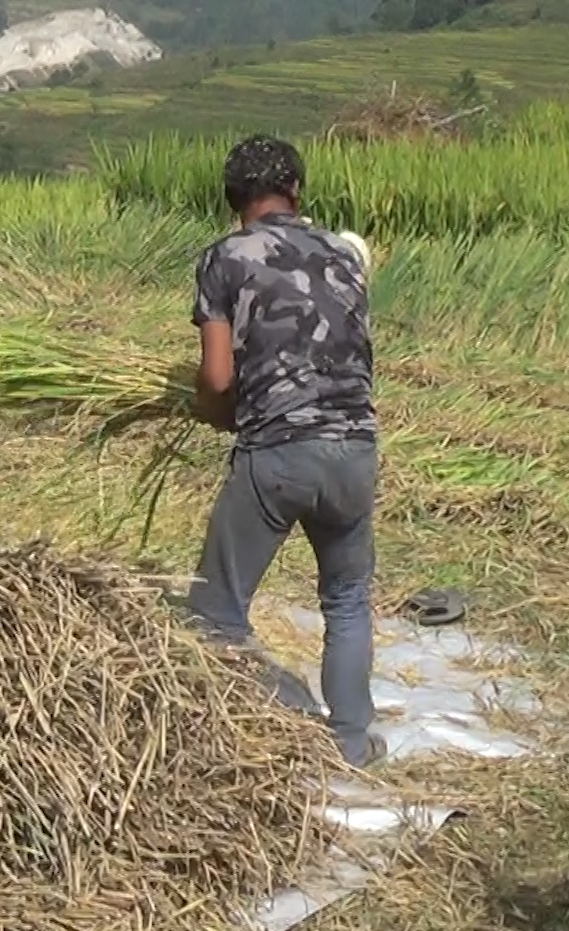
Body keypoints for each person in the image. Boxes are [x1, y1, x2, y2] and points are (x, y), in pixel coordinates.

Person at [186, 134, 385, 768]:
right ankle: (354, 743)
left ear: (231, 198)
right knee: (348, 601)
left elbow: (218, 381)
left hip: (278, 451)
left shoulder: (226, 257)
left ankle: (293, 715)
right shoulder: (343, 254)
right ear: (296, 192)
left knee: (213, 615)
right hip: (356, 450)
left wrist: (211, 415)